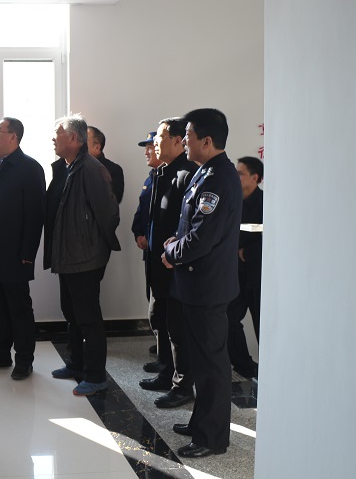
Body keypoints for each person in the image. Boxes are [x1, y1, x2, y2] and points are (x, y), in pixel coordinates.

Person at [162, 108, 242, 457]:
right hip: (196, 285)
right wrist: (175, 243)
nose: (184, 141)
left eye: (189, 136)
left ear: (206, 141)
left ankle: (211, 437)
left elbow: (201, 239)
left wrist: (172, 253)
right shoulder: (206, 172)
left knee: (211, 365)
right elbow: (192, 227)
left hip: (208, 286)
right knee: (201, 360)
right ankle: (200, 423)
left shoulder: (218, 178)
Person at [44, 115, 120, 396]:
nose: (53, 138)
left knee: (88, 317)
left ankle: (96, 376)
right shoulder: (68, 167)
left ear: (74, 139)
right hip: (68, 256)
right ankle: (75, 364)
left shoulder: (91, 169)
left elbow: (109, 214)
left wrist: (93, 247)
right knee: (71, 313)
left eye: (57, 133)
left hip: (85, 258)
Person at [0, 117, 45, 380]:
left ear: (13, 137)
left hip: (15, 254)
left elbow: (35, 214)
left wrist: (28, 252)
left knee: (19, 308)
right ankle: (0, 354)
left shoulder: (29, 168)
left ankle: (24, 360)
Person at [138, 118, 198, 409]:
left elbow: (188, 225)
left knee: (178, 329)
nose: (155, 144)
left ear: (177, 141)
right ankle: (166, 372)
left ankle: (182, 385)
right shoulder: (162, 172)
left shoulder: (187, 174)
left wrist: (174, 252)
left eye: (160, 138)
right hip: (158, 262)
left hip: (176, 265)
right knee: (160, 319)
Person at [228, 156, 263, 379]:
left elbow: (269, 234)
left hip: (258, 275)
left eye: (240, 173)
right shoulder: (235, 201)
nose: (236, 177)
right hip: (237, 274)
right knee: (229, 318)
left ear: (255, 178)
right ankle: (245, 366)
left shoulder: (266, 203)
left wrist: (247, 252)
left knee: (262, 324)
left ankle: (272, 370)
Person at [131, 131, 161, 360]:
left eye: (151, 147)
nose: (147, 152)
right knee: (152, 296)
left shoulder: (169, 177)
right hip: (149, 247)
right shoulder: (151, 178)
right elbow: (142, 210)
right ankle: (161, 344)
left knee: (161, 300)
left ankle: (165, 351)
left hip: (162, 250)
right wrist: (138, 233)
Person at [88, 126, 125, 203]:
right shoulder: (72, 166)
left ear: (97, 147)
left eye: (84, 141)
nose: (79, 144)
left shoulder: (114, 169)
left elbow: (114, 199)